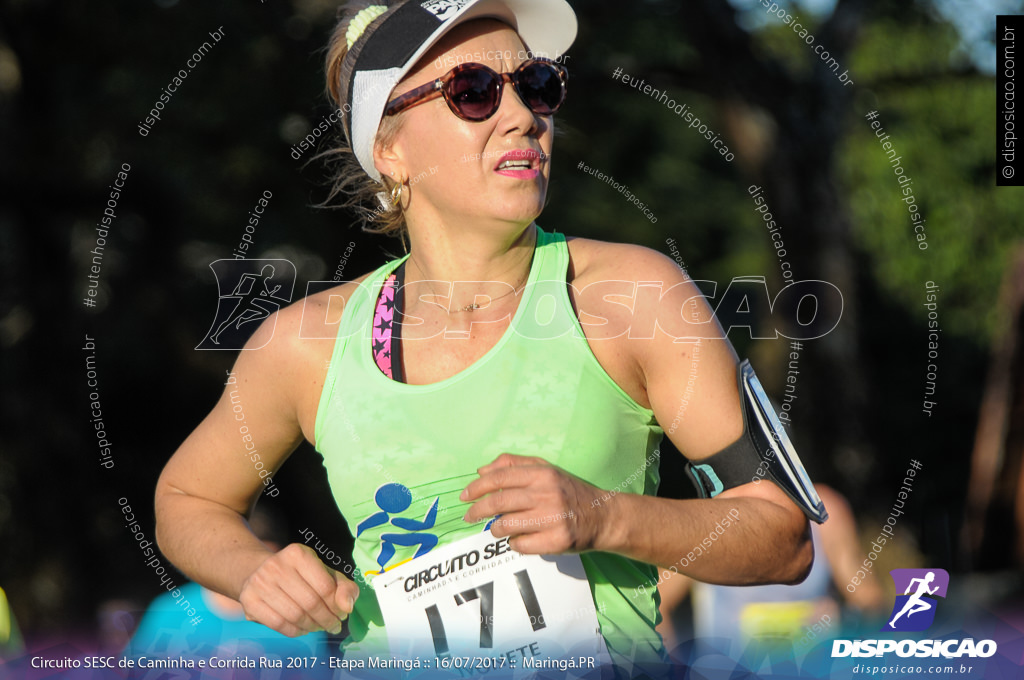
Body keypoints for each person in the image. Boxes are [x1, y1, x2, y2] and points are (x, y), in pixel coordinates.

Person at [155, 1, 818, 676]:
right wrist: (252, 571)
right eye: (472, 92)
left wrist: (608, 518)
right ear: (390, 150)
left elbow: (783, 536)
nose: (525, 116)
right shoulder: (305, 344)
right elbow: (187, 501)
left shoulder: (633, 295)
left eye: (536, 85)